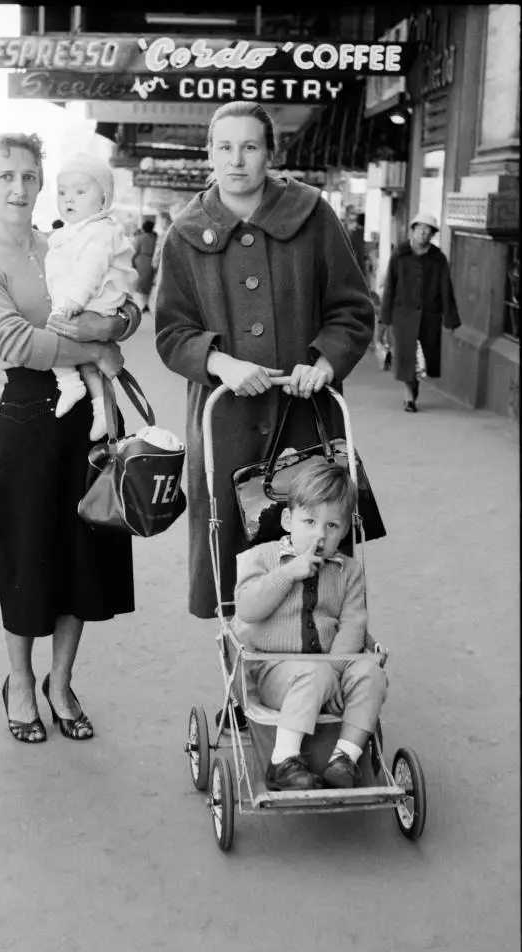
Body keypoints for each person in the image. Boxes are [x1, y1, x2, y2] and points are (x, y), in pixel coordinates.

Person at [0, 132, 140, 744]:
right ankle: (20, 682)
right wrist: (99, 345)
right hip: (29, 419)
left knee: (79, 557)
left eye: (30, 176)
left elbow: (122, 296)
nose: (19, 187)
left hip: (86, 420)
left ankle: (61, 682)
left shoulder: (65, 238)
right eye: (4, 176)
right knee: (27, 555)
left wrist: (122, 321)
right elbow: (12, 343)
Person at [155, 100, 375, 622]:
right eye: (224, 147)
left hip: (305, 418)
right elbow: (171, 332)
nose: (236, 160)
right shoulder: (185, 233)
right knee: (232, 557)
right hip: (226, 422)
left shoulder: (312, 214)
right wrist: (221, 364)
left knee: (313, 540)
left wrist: (324, 361)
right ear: (209, 152)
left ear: (270, 154)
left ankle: (315, 661)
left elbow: (351, 308)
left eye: (250, 147)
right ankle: (242, 680)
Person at [231, 458, 387, 791]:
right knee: (312, 674)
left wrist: (339, 669)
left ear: (344, 530)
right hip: (275, 671)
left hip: (332, 667)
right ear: (288, 520)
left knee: (372, 674)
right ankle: (282, 760)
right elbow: (247, 608)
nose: (319, 534)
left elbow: (352, 625)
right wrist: (288, 573)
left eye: (332, 526)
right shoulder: (263, 558)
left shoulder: (349, 572)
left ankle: (344, 756)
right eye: (309, 521)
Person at [44, 152, 137, 437]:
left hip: (94, 299)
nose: (69, 199)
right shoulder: (71, 233)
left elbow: (91, 269)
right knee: (88, 361)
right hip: (88, 302)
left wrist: (73, 301)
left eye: (80, 192)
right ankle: (97, 407)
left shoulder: (99, 231)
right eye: (62, 193)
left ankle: (73, 387)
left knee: (58, 335)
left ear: (104, 200)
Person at [378, 212, 461, 412]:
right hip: (403, 316)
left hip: (429, 316)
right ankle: (408, 396)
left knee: (422, 357)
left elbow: (446, 288)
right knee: (406, 356)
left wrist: (451, 319)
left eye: (428, 230)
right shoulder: (400, 253)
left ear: (432, 234)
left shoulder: (438, 258)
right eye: (420, 228)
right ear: (412, 230)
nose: (423, 233)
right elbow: (390, 285)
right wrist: (384, 318)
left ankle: (413, 385)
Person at [131, 218, 157, 313]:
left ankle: (141, 304)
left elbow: (135, 251)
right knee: (148, 284)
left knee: (140, 284)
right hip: (152, 260)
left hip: (141, 260)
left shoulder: (140, 238)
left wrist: (132, 261)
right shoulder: (155, 237)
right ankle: (145, 304)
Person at [345, 209, 369, 281]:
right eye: (351, 220)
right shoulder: (358, 235)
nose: (354, 224)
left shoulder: (358, 234)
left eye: (355, 220)